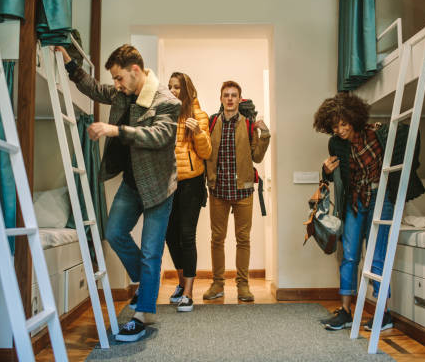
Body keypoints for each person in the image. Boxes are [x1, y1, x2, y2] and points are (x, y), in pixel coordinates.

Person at [56, 44, 181, 342]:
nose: (116, 85)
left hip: (159, 186)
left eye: (119, 78)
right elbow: (96, 89)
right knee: (113, 232)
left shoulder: (166, 101)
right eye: (114, 79)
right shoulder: (122, 92)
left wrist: (115, 131)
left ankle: (144, 312)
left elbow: (159, 135)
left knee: (151, 251)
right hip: (132, 181)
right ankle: (147, 288)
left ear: (135, 71)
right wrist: (70, 64)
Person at [313, 93, 424, 331]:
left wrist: (409, 172)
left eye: (344, 124)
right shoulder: (336, 143)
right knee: (350, 255)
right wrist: (325, 173)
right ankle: (345, 312)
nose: (340, 130)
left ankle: (383, 314)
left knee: (376, 255)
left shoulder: (378, 133)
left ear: (354, 118)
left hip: (381, 197)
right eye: (335, 126)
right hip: (354, 199)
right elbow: (339, 177)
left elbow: (411, 135)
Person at [202, 81, 270, 302]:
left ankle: (243, 285)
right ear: (221, 99)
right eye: (226, 95)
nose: (230, 99)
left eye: (234, 95)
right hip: (218, 191)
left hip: (243, 192)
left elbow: (257, 157)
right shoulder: (212, 122)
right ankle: (218, 284)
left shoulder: (249, 125)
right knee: (217, 239)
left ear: (239, 99)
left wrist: (265, 134)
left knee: (243, 240)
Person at [164, 72, 212, 312]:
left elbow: (206, 153)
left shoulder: (199, 115)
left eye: (178, 88)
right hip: (168, 182)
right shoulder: (164, 114)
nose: (173, 91)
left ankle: (190, 293)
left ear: (187, 90)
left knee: (186, 235)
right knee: (169, 235)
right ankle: (182, 285)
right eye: (170, 87)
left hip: (191, 183)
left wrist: (199, 133)